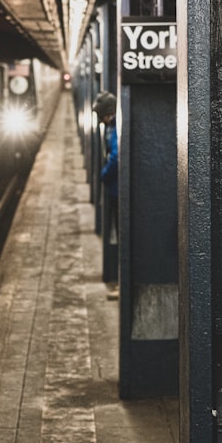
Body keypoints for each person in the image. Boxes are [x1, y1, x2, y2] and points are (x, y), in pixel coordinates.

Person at [92, 91, 119, 299]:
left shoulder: (115, 128)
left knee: (120, 234)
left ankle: (120, 282)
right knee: (117, 234)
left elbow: (116, 156)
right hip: (115, 189)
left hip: (118, 190)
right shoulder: (112, 127)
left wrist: (104, 175)